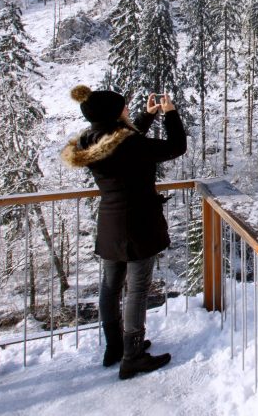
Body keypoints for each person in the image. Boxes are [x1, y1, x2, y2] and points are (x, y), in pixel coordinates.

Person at [61, 85, 186, 380]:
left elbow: (123, 140)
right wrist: (171, 114)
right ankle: (133, 356)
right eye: (125, 108)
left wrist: (147, 116)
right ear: (114, 113)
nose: (128, 110)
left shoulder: (89, 140)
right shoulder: (127, 144)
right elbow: (175, 147)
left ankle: (114, 346)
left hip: (110, 223)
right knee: (138, 289)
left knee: (110, 286)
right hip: (137, 224)